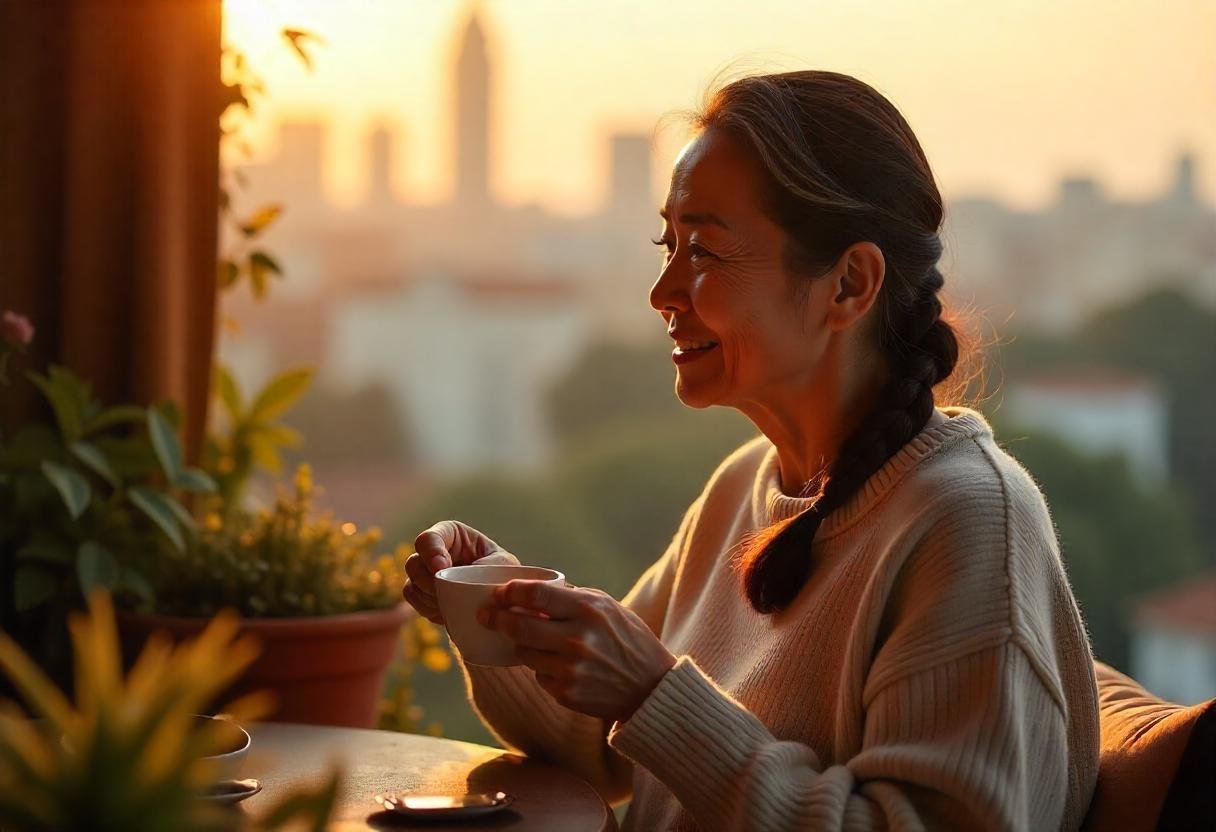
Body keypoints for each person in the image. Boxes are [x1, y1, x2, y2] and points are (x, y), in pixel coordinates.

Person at [401, 70, 1099, 831]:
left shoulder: (966, 524)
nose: (662, 290)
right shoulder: (746, 486)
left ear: (848, 285)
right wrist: (498, 608)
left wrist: (655, 696)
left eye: (703, 251)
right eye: (667, 244)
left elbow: (655, 711)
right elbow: (599, 745)